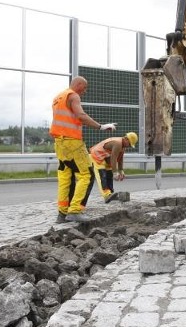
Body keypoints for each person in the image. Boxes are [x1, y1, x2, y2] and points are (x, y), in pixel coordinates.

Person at [50, 76, 116, 223]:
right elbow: (81, 115)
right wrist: (101, 126)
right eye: (84, 88)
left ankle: (62, 214)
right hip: (73, 143)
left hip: (59, 144)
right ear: (78, 84)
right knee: (86, 174)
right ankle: (75, 210)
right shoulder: (73, 96)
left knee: (65, 177)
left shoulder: (58, 97)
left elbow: (70, 120)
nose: (84, 91)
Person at [89, 132, 138, 203]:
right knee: (102, 175)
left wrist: (121, 170)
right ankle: (106, 195)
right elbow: (114, 158)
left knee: (109, 174)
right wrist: (115, 172)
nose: (129, 146)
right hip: (97, 156)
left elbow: (120, 158)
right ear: (126, 139)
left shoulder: (122, 146)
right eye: (130, 144)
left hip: (106, 158)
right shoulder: (117, 143)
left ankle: (111, 193)